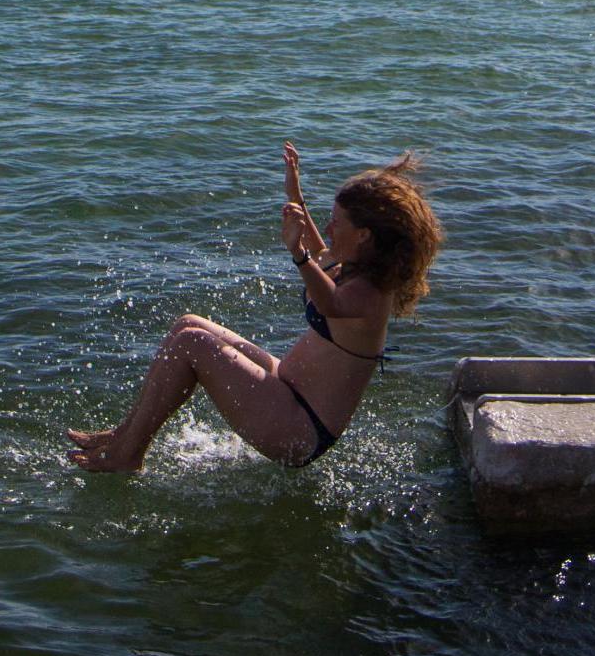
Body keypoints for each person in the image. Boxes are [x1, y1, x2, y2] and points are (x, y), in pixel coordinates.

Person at [69, 143, 441, 473]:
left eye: (336, 222)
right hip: (287, 387)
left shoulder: (371, 293)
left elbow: (328, 300)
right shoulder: (353, 264)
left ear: (364, 236)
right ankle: (124, 435)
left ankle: (128, 455)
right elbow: (321, 252)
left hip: (300, 428)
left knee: (193, 344)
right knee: (188, 324)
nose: (328, 228)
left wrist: (296, 254)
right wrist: (296, 196)